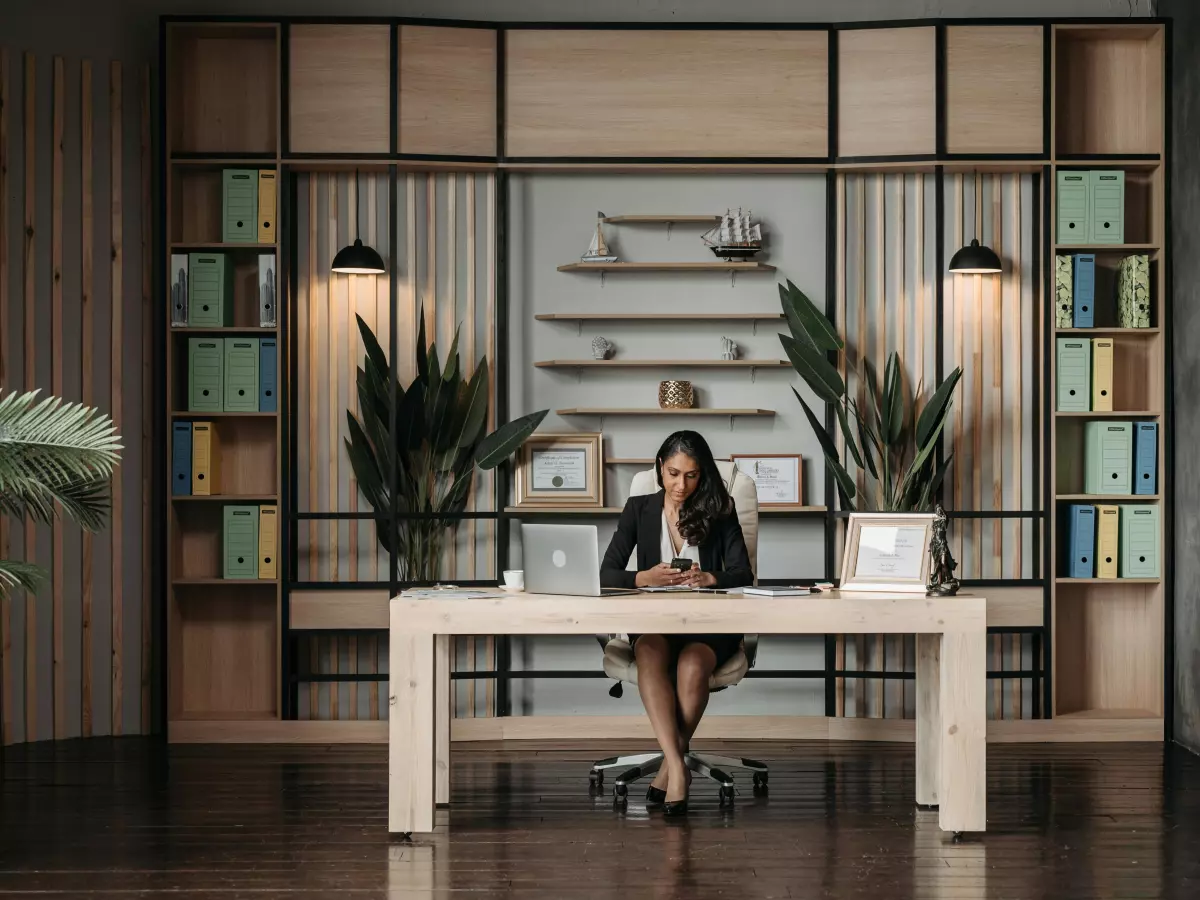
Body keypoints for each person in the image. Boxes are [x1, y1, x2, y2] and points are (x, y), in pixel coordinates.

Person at [599, 430, 753, 817]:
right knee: (649, 652)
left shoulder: (721, 508)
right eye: (672, 473)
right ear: (659, 470)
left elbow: (743, 573)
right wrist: (642, 578)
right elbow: (606, 572)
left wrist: (710, 578)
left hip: (709, 625)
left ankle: (671, 765)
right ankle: (678, 765)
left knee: (691, 666)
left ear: (702, 476)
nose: (680, 484)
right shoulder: (639, 509)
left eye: (691, 475)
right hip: (655, 621)